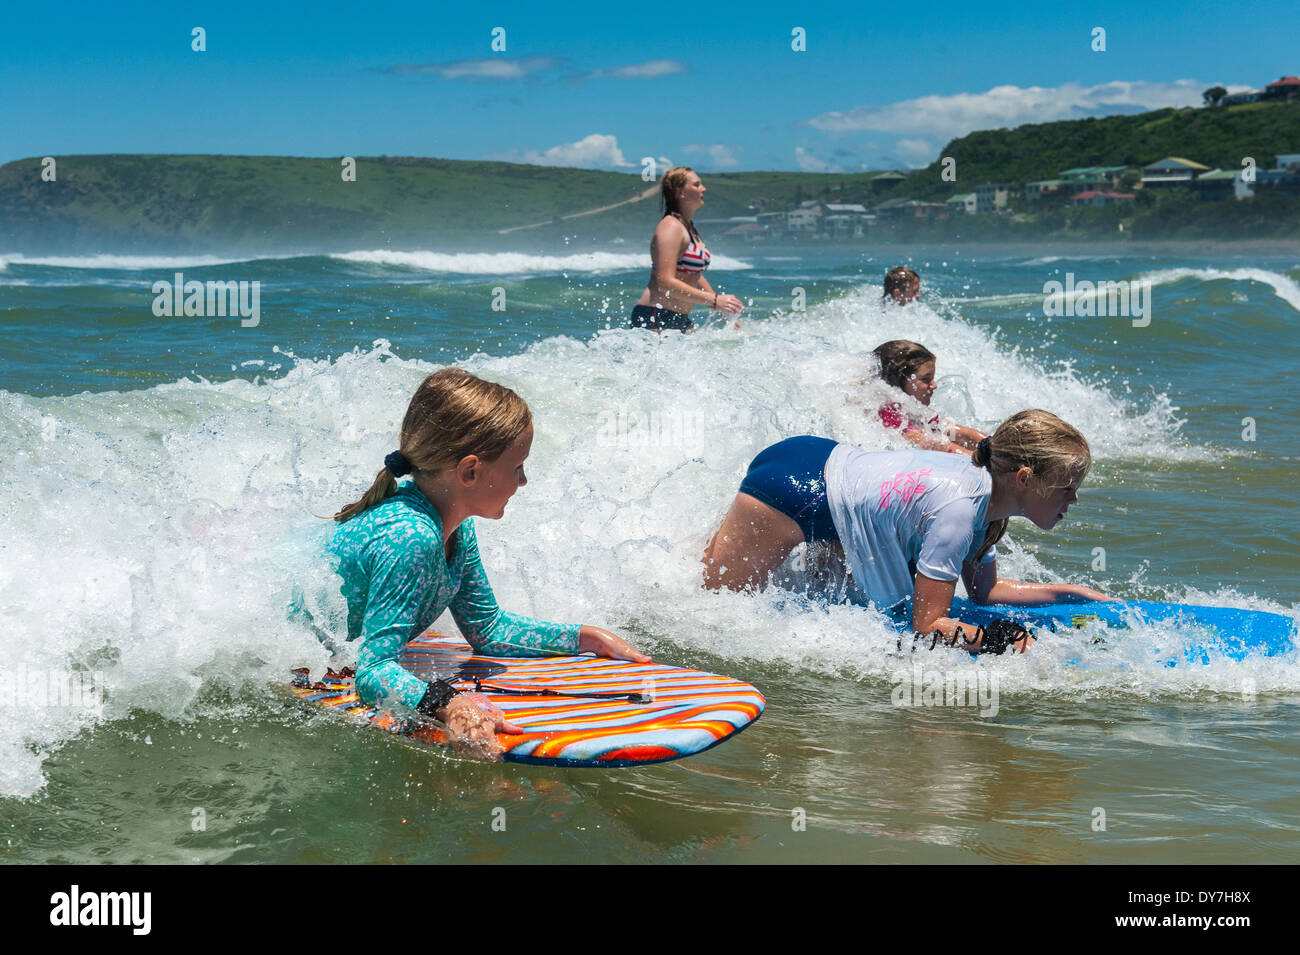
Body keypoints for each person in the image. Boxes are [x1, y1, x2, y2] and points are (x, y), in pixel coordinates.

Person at [328, 368, 649, 758]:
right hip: (295, 650)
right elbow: (374, 669)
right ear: (470, 471)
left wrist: (582, 638)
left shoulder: (454, 527)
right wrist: (451, 703)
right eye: (517, 468)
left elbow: (488, 628)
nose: (524, 480)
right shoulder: (412, 537)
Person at [701, 410, 1112, 653]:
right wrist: (1002, 641)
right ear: (1024, 479)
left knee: (818, 587)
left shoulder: (987, 495)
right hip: (794, 490)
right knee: (712, 608)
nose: (1073, 500)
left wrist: (1069, 594)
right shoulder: (960, 510)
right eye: (1067, 488)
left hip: (820, 459)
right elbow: (927, 625)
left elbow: (985, 592)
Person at [630, 166, 745, 332]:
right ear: (680, 193)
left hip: (679, 318)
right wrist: (714, 300)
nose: (703, 189)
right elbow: (665, 282)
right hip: (655, 315)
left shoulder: (688, 228)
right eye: (697, 185)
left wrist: (720, 309)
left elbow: (693, 275)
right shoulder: (670, 227)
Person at [871, 340, 987, 455]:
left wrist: (989, 443)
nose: (934, 386)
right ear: (897, 382)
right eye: (926, 379)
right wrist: (978, 459)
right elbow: (932, 444)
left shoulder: (915, 410)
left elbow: (950, 431)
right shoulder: (887, 412)